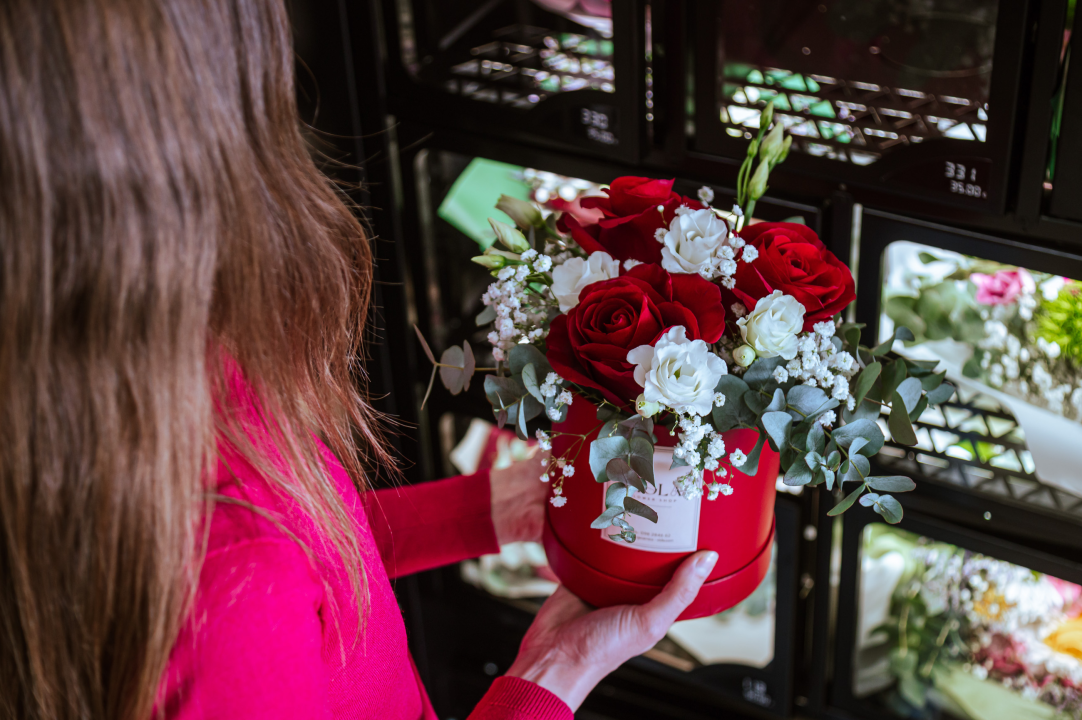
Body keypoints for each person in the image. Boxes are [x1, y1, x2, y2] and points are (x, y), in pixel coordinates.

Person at [0, 1, 717, 719]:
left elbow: (310, 561)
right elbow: (262, 572)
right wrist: (555, 672)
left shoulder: (146, 380)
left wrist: (496, 508)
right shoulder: (223, 595)